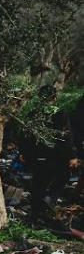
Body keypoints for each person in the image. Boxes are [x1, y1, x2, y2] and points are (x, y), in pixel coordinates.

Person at [20, 85, 79, 227]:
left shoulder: (33, 114)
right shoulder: (60, 114)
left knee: (38, 183)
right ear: (55, 98)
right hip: (56, 156)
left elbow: (25, 135)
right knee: (64, 176)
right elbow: (66, 137)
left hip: (36, 156)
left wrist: (23, 152)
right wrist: (72, 156)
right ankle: (50, 198)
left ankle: (34, 218)